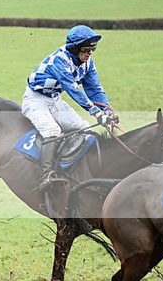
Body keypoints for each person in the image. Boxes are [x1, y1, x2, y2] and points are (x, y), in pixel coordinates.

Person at [22, 25, 116, 190]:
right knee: (52, 131)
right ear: (74, 48)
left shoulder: (87, 64)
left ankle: (81, 171)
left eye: (93, 49)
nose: (90, 53)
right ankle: (46, 177)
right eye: (86, 49)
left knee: (85, 129)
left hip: (54, 99)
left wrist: (107, 109)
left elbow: (94, 89)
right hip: (35, 100)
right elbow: (73, 88)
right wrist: (96, 113)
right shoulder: (60, 60)